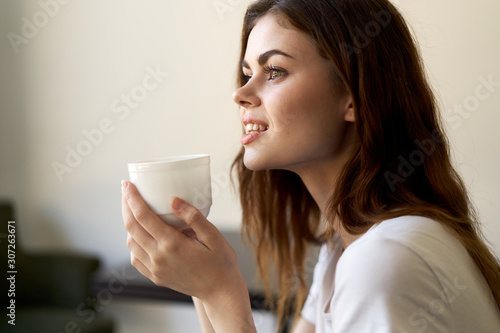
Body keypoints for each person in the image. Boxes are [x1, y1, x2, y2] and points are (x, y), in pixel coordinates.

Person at [121, 0, 500, 332]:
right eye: (247, 73)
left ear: (353, 95)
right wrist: (202, 284)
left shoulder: (384, 260)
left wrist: (221, 292)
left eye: (274, 72)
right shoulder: (343, 250)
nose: (240, 94)